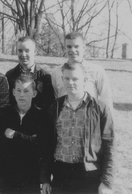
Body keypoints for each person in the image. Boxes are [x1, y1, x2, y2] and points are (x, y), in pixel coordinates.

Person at [41, 62, 114, 194]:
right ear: (62, 79)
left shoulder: (100, 109)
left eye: (75, 79)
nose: (70, 82)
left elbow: (110, 146)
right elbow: (46, 145)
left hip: (89, 176)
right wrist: (45, 178)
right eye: (67, 78)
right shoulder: (54, 108)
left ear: (85, 80)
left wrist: (107, 182)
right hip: (61, 175)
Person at [0, 75, 53, 194]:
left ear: (34, 94)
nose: (22, 95)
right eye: (18, 90)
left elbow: (44, 147)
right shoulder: (4, 114)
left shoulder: (42, 117)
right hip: (7, 174)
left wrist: (15, 135)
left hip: (31, 175)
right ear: (13, 92)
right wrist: (30, 139)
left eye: (26, 91)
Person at [51, 32, 113, 111]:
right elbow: (55, 99)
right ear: (65, 48)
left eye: (76, 46)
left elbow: (106, 99)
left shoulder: (96, 70)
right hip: (64, 118)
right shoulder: (56, 72)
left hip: (90, 117)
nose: (72, 50)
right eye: (69, 47)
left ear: (84, 47)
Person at [5, 36, 54, 110]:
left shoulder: (45, 77)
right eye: (20, 51)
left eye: (27, 51)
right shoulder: (10, 75)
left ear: (35, 52)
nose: (23, 54)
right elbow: (8, 102)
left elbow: (48, 103)